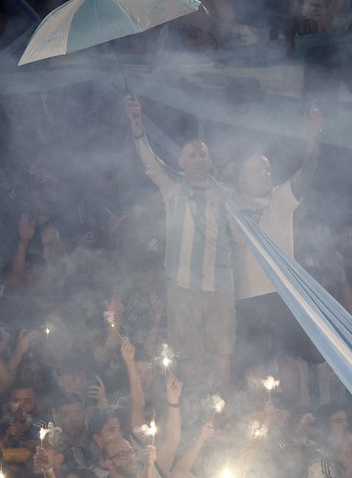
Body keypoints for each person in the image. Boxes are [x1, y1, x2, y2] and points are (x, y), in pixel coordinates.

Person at [124, 94, 236, 389]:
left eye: (203, 153)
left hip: (220, 285)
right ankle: (198, 406)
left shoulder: (226, 195)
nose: (199, 157)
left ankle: (222, 408)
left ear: (211, 161)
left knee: (221, 351)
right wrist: (136, 124)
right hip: (181, 285)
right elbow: (148, 160)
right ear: (181, 162)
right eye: (192, 154)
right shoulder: (172, 187)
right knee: (190, 354)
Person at [233, 103, 322, 380]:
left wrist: (314, 136)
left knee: (303, 358)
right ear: (242, 178)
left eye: (267, 169)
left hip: (283, 295)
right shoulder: (230, 204)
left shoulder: (280, 197)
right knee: (253, 366)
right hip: (247, 297)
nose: (265, 174)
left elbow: (307, 172)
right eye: (257, 170)